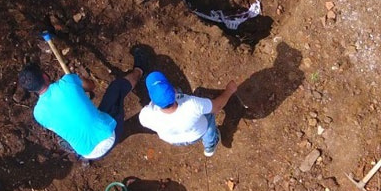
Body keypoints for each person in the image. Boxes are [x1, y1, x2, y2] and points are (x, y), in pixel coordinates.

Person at [18, 48, 146, 160]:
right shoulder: (68, 82)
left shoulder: (38, 114)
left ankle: (76, 150)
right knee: (116, 88)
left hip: (88, 153)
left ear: (31, 90)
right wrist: (75, 84)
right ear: (45, 75)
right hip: (109, 135)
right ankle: (140, 70)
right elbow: (91, 86)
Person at [137, 71, 237, 157]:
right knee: (209, 118)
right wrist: (229, 91)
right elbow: (217, 107)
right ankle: (210, 145)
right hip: (197, 133)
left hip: (174, 140)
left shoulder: (146, 115)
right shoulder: (192, 105)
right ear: (172, 91)